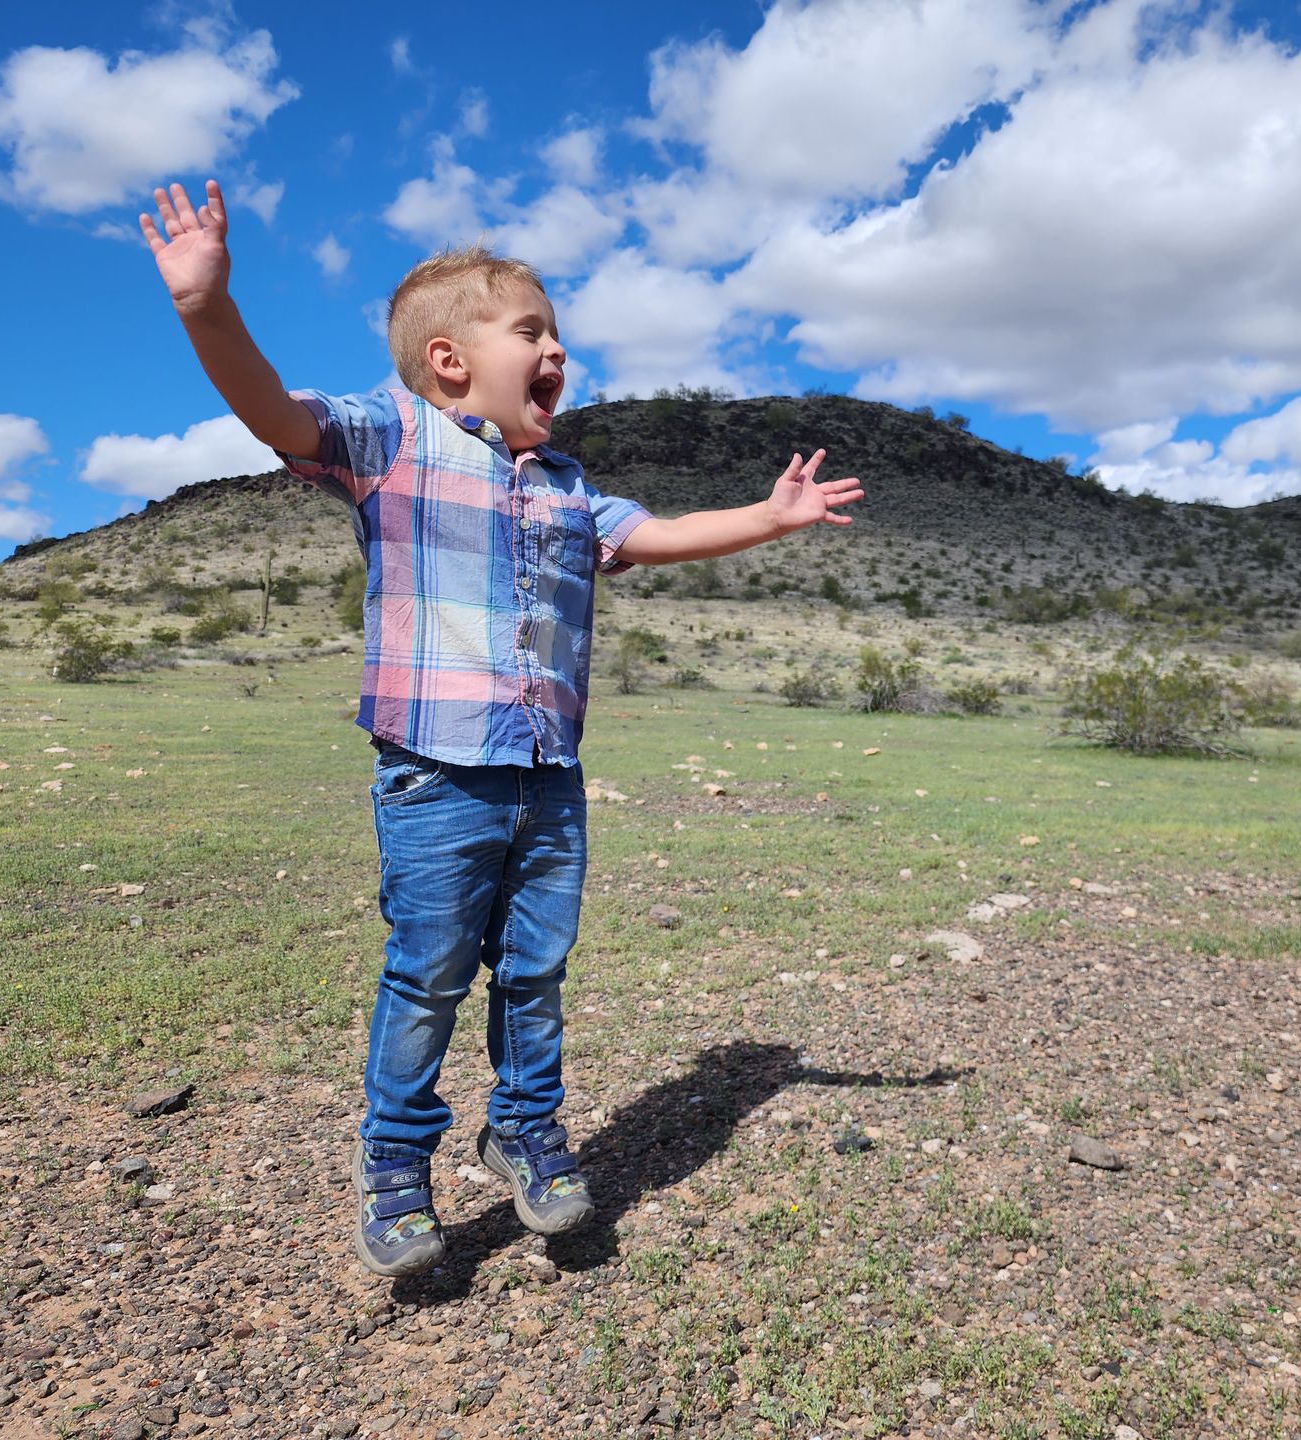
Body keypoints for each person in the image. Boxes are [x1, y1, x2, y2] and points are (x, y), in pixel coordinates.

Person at [141, 179, 863, 1276]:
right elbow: (274, 413)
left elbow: (660, 534)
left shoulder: (569, 487)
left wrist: (769, 517)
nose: (557, 349)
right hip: (435, 777)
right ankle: (395, 1162)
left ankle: (524, 1130)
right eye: (532, 331)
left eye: (557, 334)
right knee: (428, 974)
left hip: (548, 777)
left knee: (535, 972)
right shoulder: (392, 443)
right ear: (448, 360)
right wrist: (206, 309)